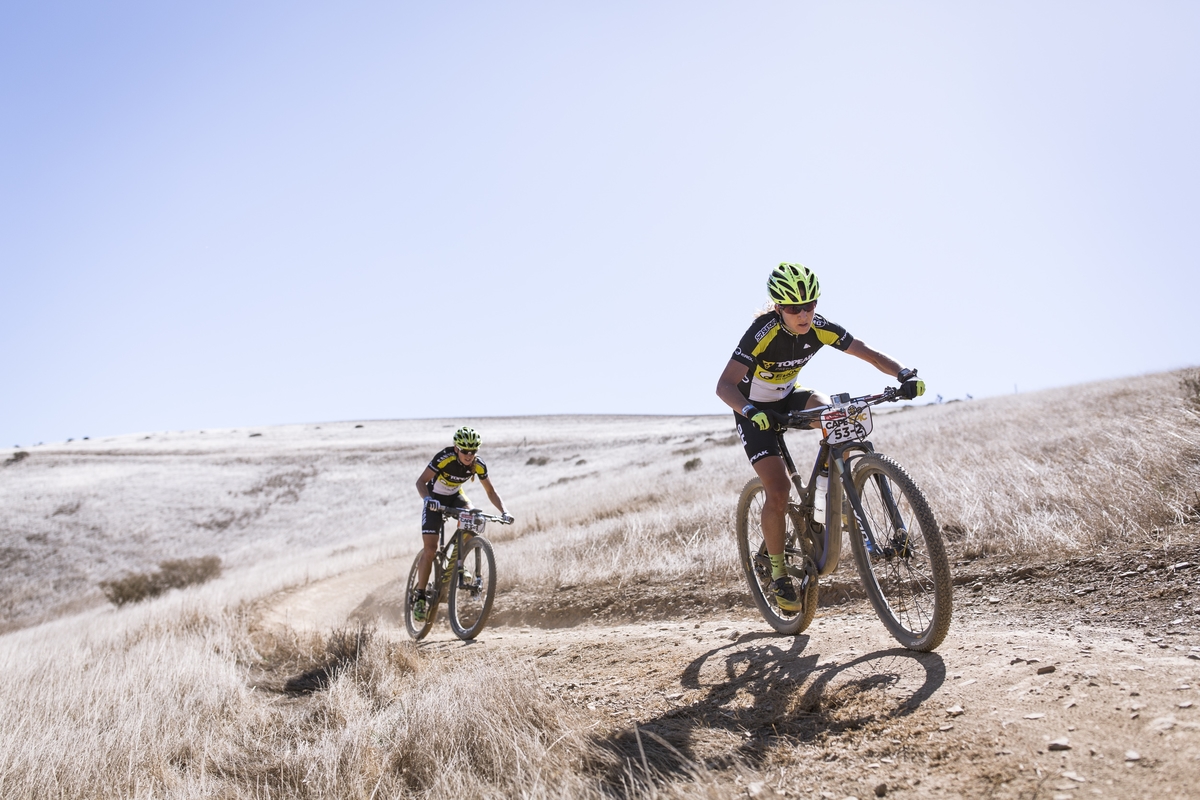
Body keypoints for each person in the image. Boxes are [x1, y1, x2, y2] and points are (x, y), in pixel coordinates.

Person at [715, 263, 925, 612]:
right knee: (778, 490)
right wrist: (750, 411)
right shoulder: (762, 331)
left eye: (809, 305)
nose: (803, 314)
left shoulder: (820, 327)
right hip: (754, 411)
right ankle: (779, 575)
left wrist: (904, 374)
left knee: (834, 414)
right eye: (793, 308)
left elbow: (867, 352)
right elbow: (724, 385)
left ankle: (827, 503)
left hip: (789, 397)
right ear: (779, 307)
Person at [411, 426, 512, 622]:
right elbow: (420, 482)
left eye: (473, 451)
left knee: (474, 517)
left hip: (456, 496)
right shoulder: (445, 457)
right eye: (465, 450)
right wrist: (427, 500)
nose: (469, 455)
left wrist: (505, 511)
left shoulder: (478, 464)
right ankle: (420, 596)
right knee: (430, 550)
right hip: (434, 499)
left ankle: (458, 562)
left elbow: (491, 491)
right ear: (456, 448)